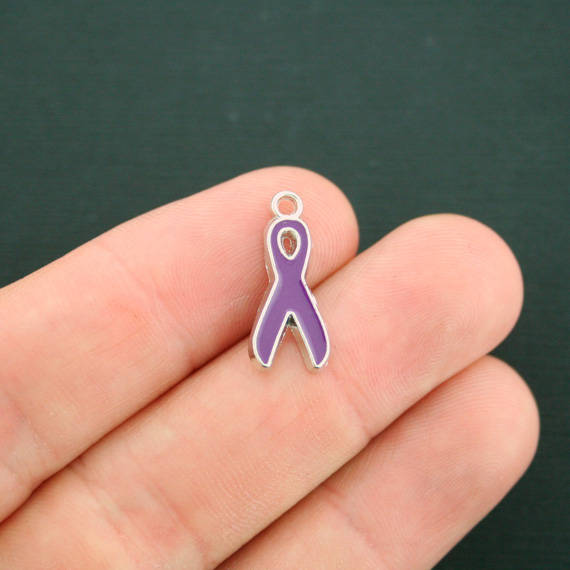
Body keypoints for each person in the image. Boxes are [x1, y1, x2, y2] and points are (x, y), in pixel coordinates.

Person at [0, 167, 539, 568]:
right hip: (289, 282)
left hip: (290, 281)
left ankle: (289, 347)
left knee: (288, 319)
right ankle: (293, 347)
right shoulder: (285, 257)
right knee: (289, 319)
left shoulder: (291, 253)